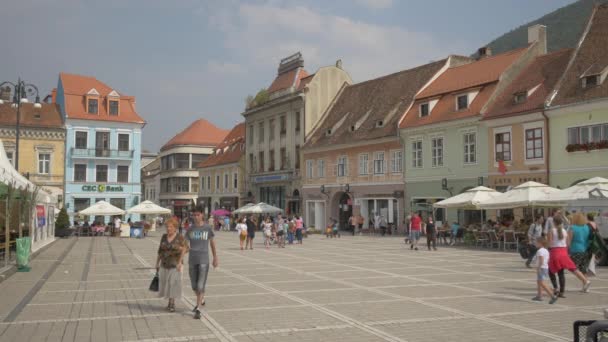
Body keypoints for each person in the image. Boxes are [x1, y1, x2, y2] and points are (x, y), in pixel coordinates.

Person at [185, 207, 218, 319]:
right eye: (194, 215)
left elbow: (212, 243)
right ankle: (201, 299)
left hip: (204, 260)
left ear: (202, 215)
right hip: (192, 260)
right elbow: (185, 243)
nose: (196, 217)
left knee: (200, 285)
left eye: (198, 215)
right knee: (194, 286)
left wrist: (215, 258)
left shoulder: (207, 228)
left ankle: (198, 308)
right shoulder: (190, 229)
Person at [547, 216, 590, 298]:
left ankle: (556, 288)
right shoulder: (564, 231)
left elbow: (549, 243)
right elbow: (568, 244)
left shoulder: (551, 231)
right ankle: (562, 292)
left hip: (555, 252)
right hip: (564, 252)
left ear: (554, 222)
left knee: (551, 271)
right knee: (562, 272)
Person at [155, 217, 187, 312]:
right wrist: (157, 263)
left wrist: (180, 262)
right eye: (167, 227)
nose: (168, 229)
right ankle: (169, 302)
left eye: (170, 227)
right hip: (164, 264)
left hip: (175, 264)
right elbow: (160, 251)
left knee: (173, 284)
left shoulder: (180, 237)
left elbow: (186, 248)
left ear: (175, 228)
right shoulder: (164, 237)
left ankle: (172, 303)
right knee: (166, 284)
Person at [531, 237, 559, 304]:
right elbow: (547, 260)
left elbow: (541, 260)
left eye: (536, 242)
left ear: (540, 243)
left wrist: (538, 268)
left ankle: (552, 296)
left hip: (541, 268)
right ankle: (539, 296)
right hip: (545, 267)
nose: (535, 243)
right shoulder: (546, 250)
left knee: (542, 283)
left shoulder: (540, 251)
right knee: (539, 282)